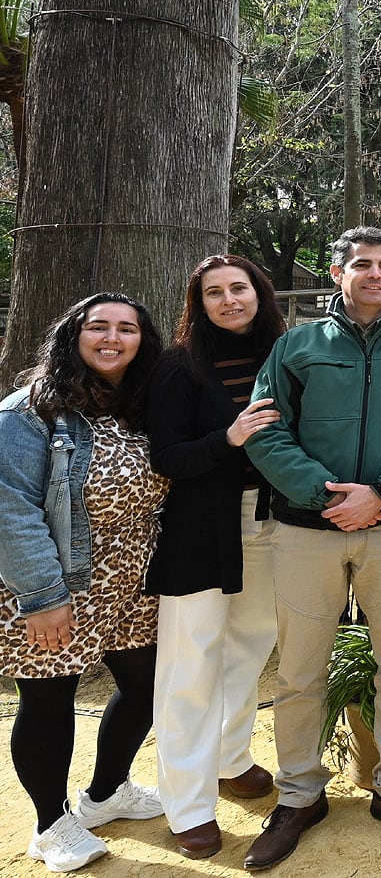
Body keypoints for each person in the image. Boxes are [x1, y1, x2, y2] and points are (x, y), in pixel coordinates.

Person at [244, 227, 381, 868]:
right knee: (300, 670)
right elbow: (263, 427)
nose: (375, 274)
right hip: (307, 532)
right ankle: (300, 795)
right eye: (361, 264)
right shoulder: (297, 344)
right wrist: (322, 494)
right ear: (338, 272)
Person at [0, 294, 167, 873]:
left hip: (134, 578)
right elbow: (10, 508)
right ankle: (50, 823)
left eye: (128, 328)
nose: (113, 338)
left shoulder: (139, 405)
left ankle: (106, 793)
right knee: (50, 702)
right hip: (58, 580)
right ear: (73, 335)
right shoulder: (29, 412)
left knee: (147, 687)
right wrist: (42, 598)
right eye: (99, 327)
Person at [145, 257, 286, 860]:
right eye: (214, 293)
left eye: (240, 288)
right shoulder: (178, 367)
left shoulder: (287, 353)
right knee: (191, 663)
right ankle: (188, 802)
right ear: (197, 303)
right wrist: (229, 437)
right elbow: (167, 456)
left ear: (259, 293)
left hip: (274, 520)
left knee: (251, 646)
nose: (230, 300)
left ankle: (230, 759)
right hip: (201, 530)